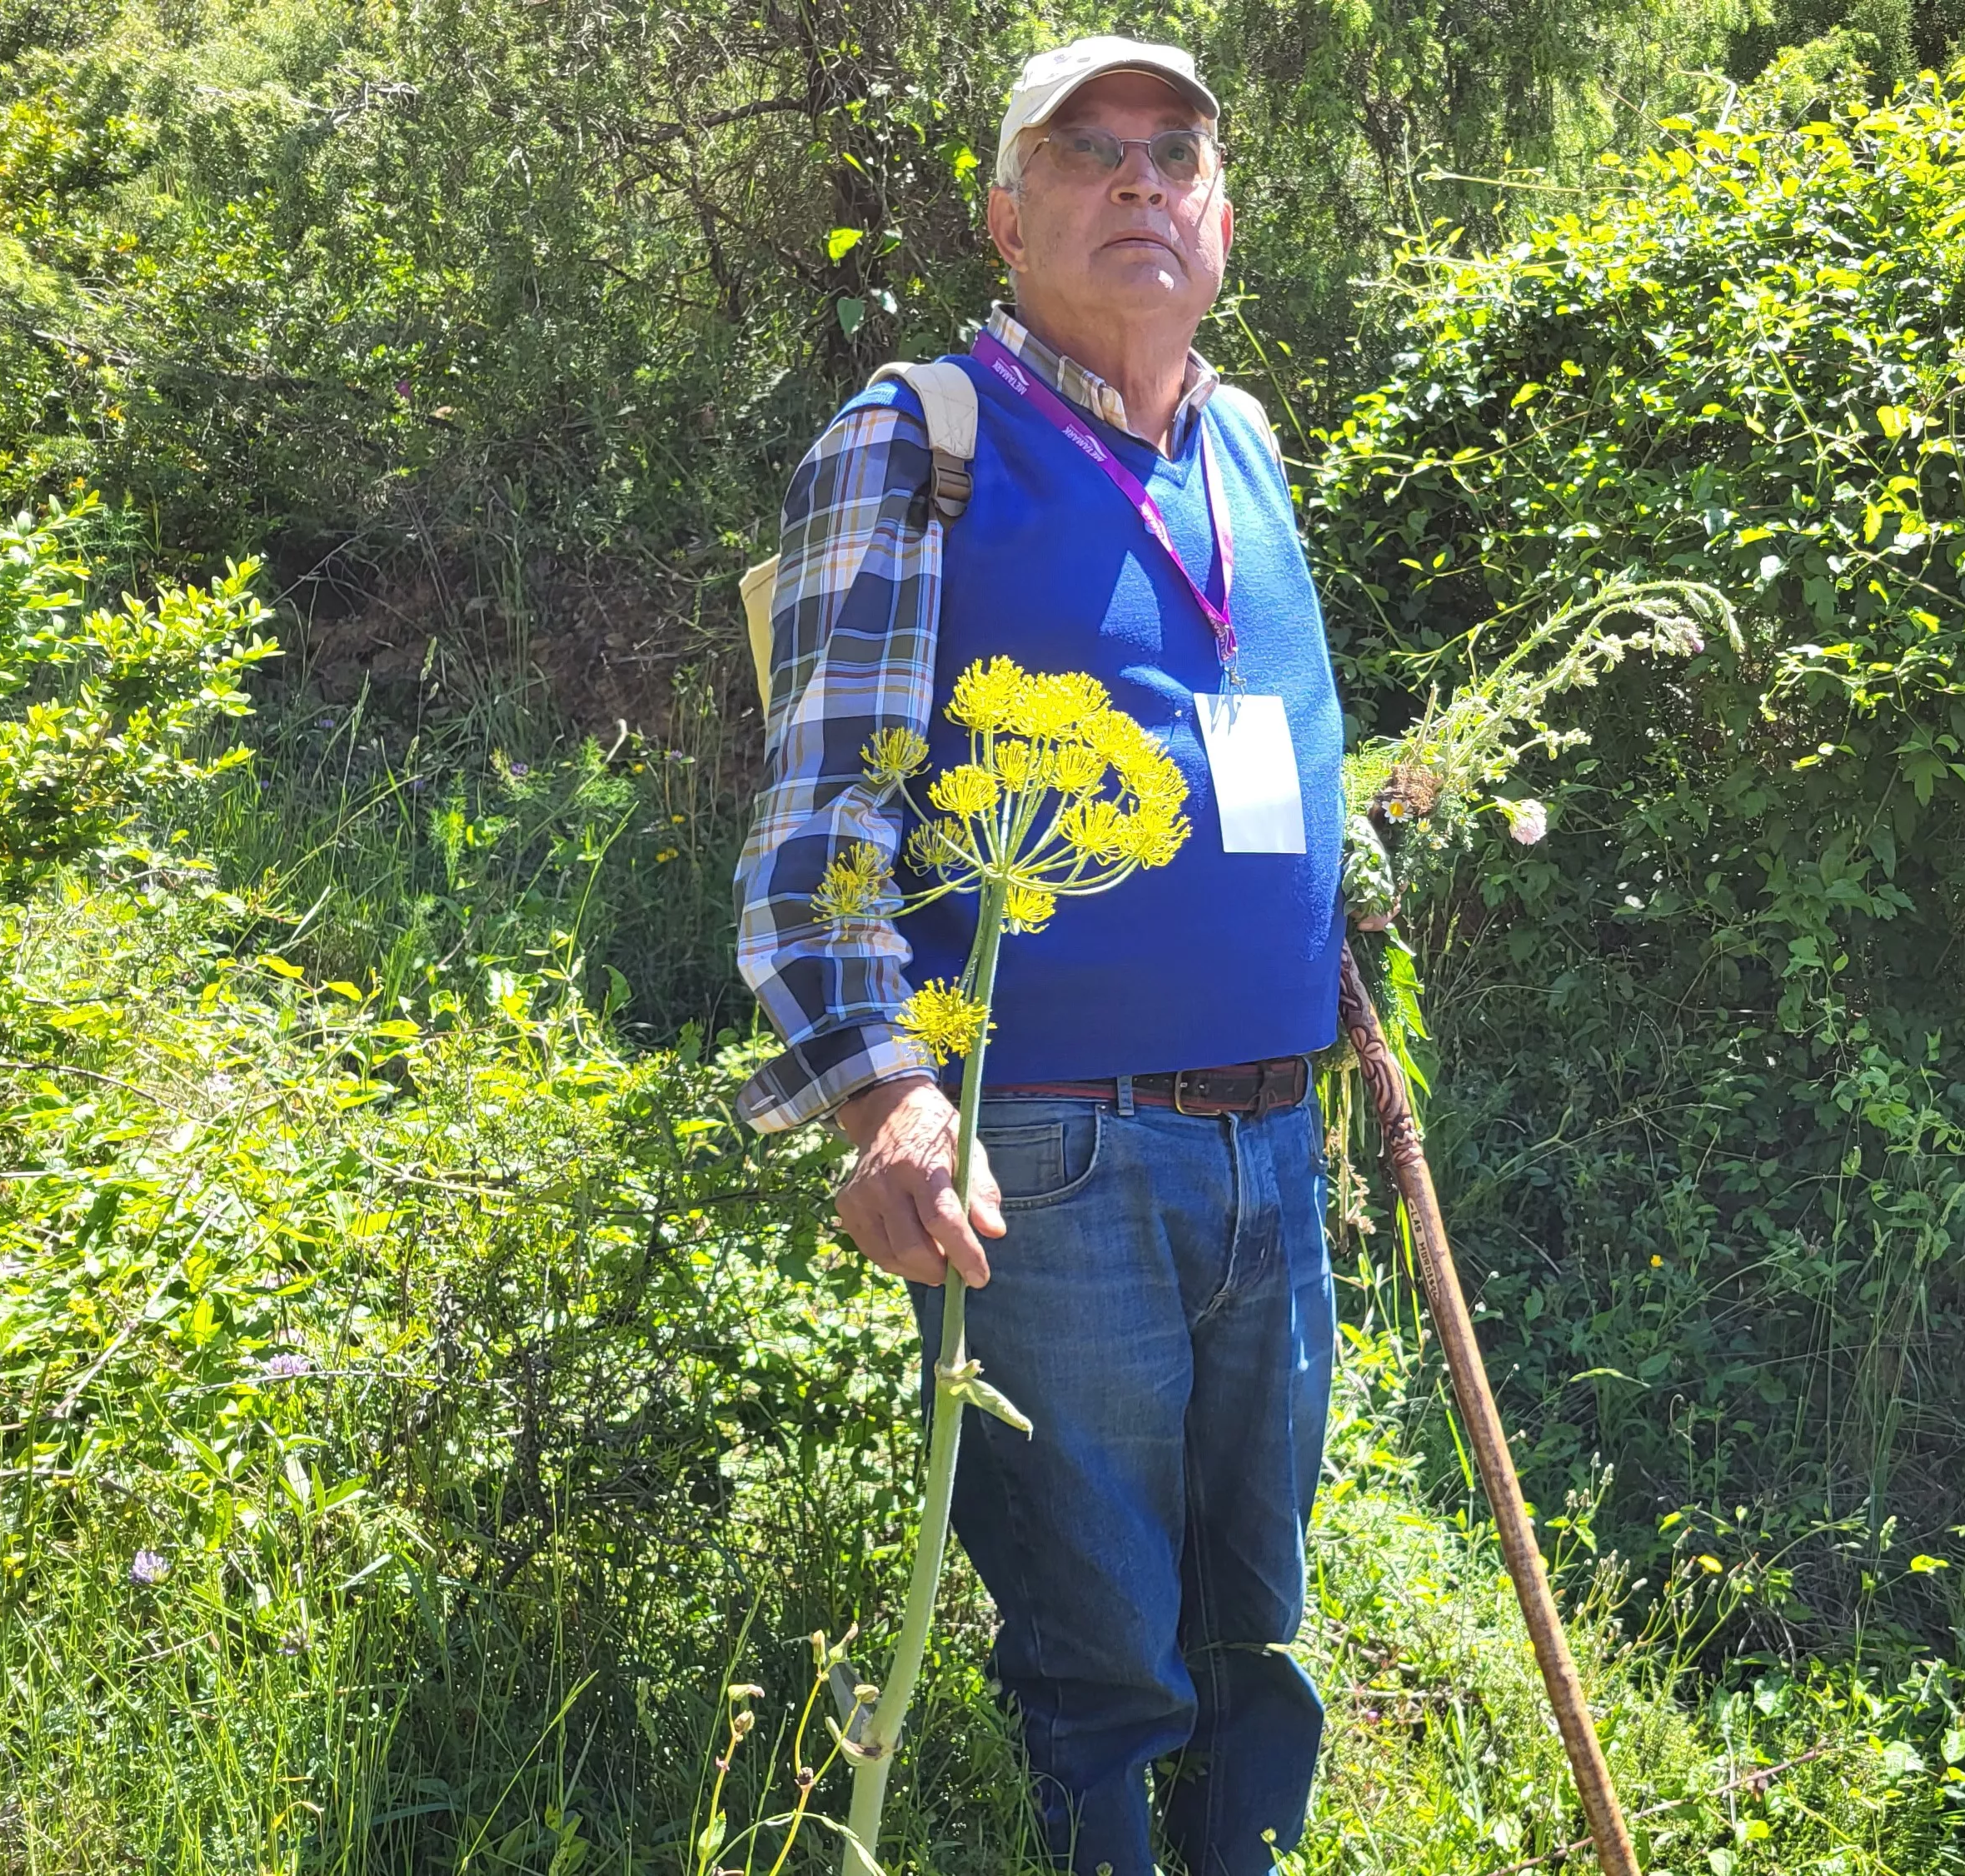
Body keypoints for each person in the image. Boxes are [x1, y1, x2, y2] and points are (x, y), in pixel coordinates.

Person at [731, 36, 1347, 1875]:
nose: (1140, 180)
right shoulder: (919, 438)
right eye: (1087, 153)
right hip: (1052, 1156)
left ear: (1222, 217)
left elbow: (1263, 733)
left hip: (1275, 1137)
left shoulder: (1243, 442)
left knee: (1259, 1625)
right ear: (1007, 220)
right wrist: (887, 1098)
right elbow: (818, 824)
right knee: (1102, 1648)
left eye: (1176, 152)